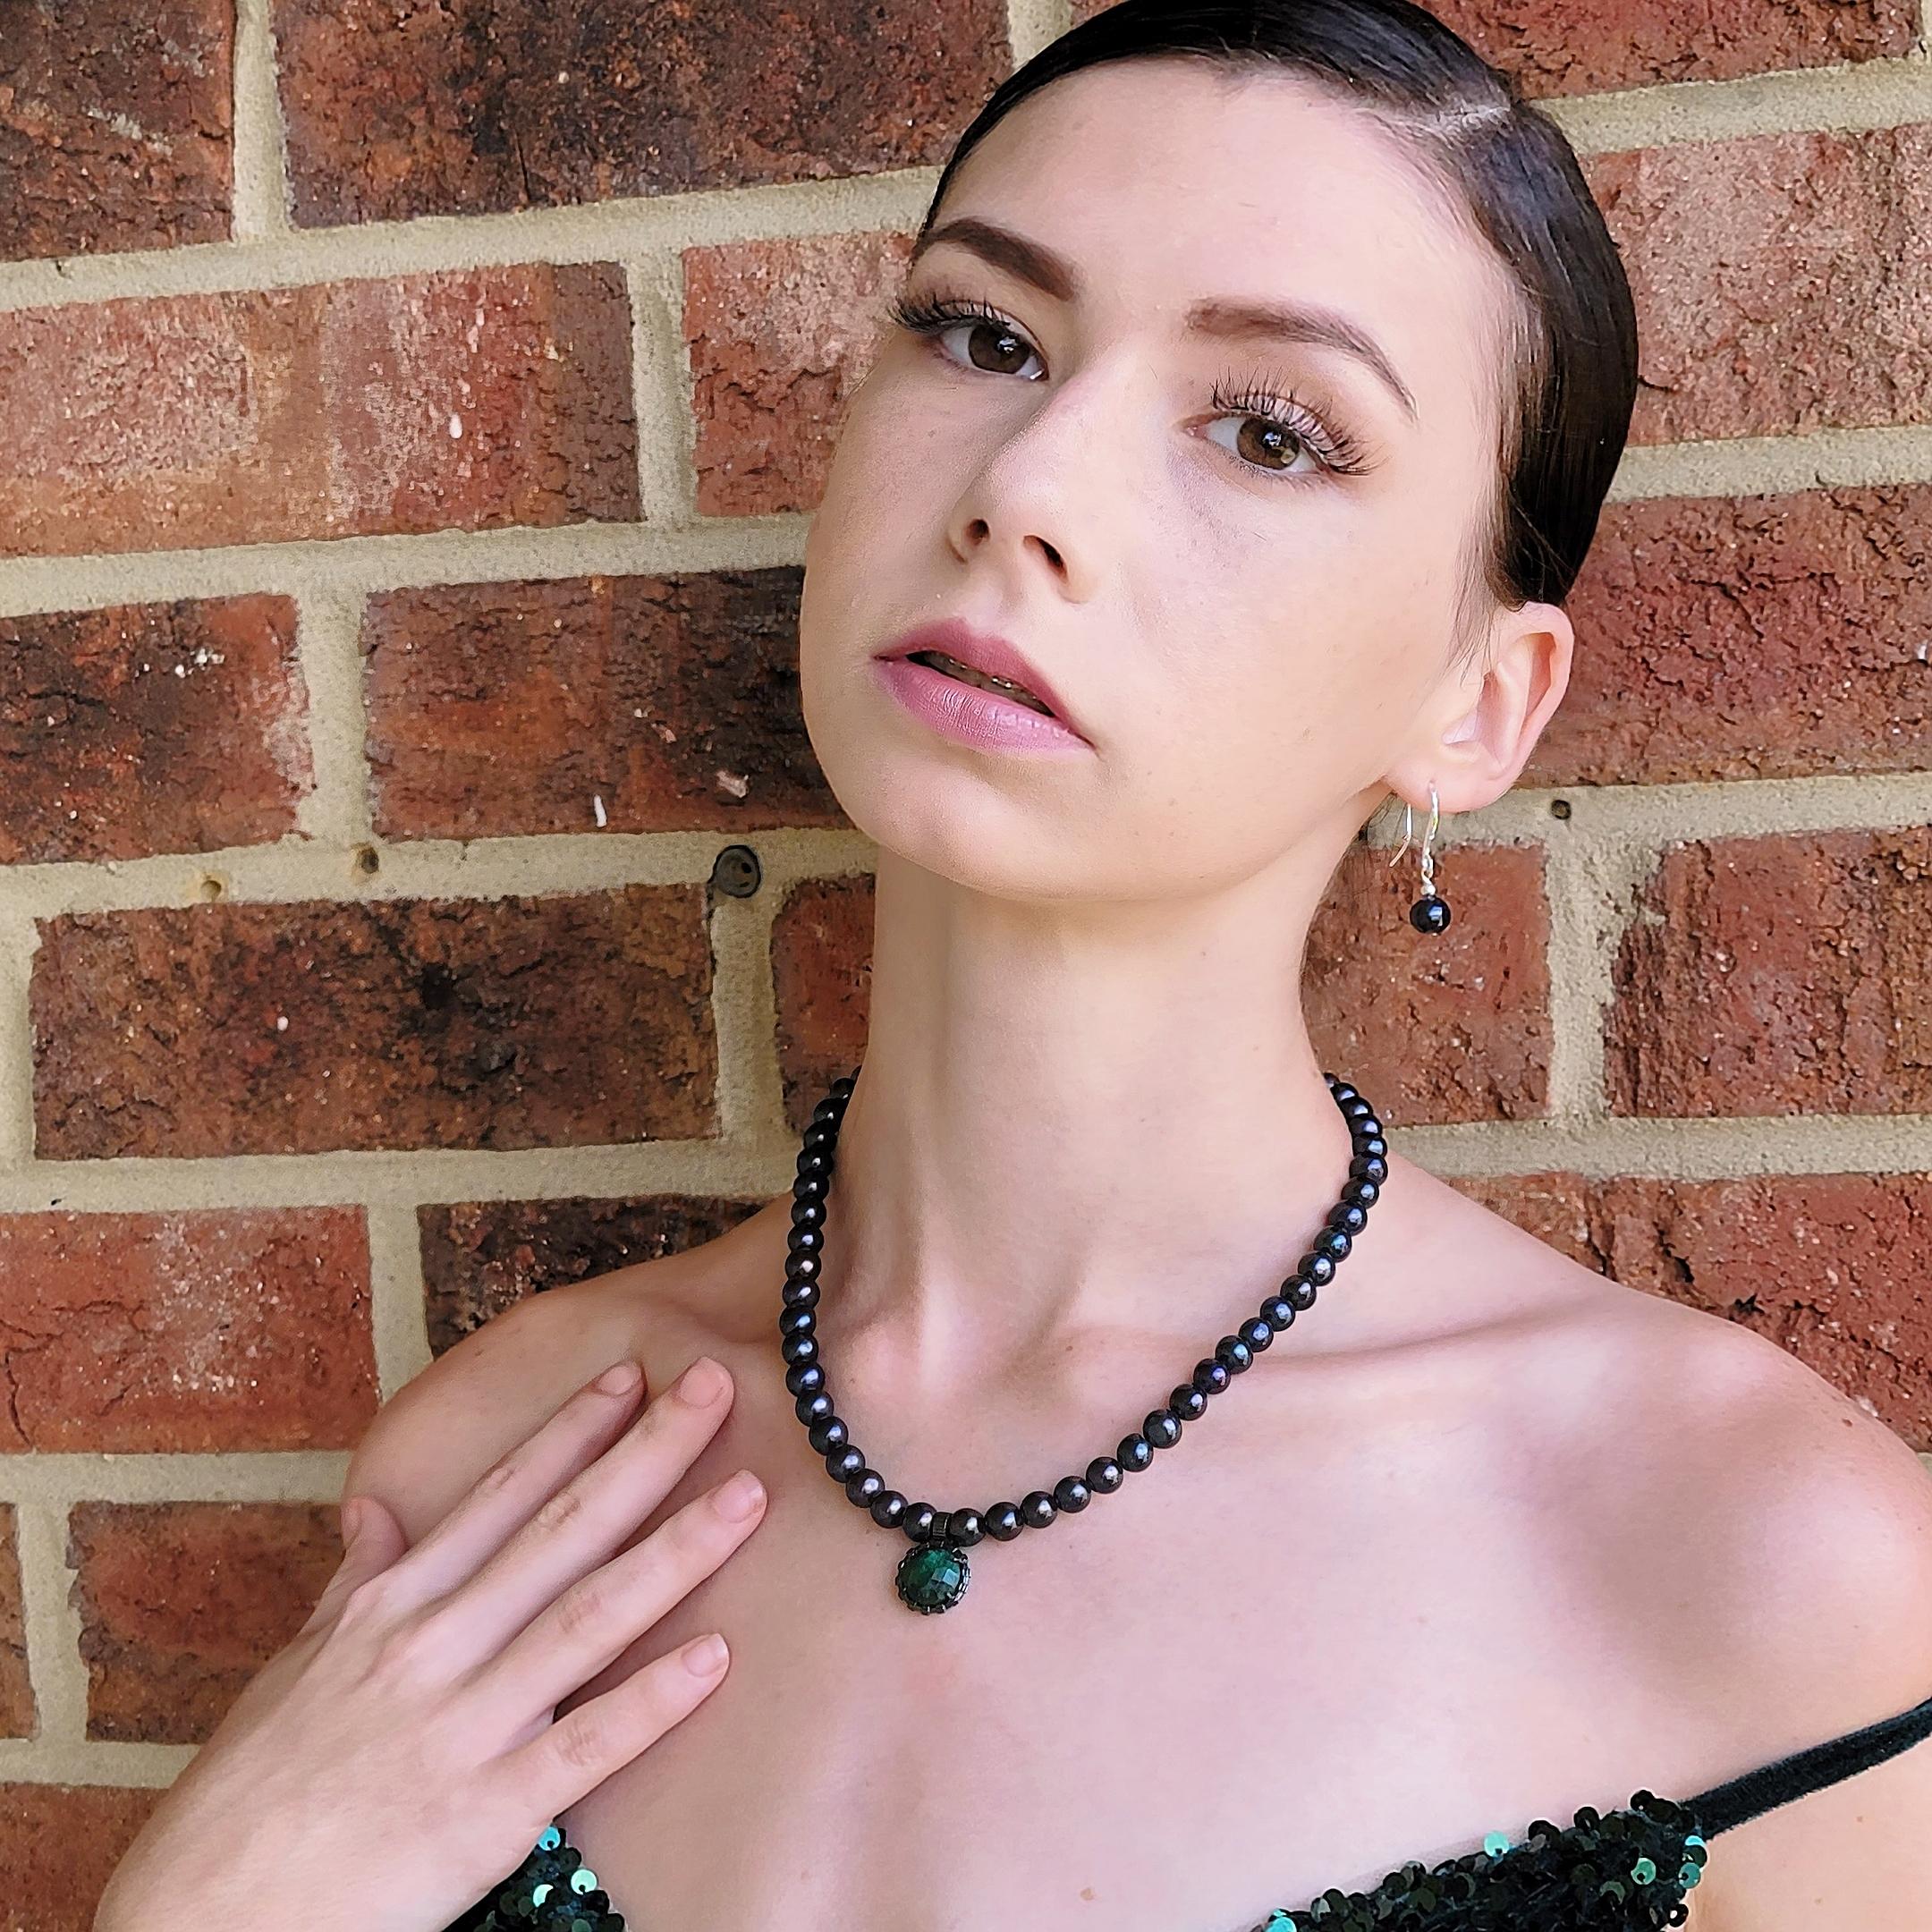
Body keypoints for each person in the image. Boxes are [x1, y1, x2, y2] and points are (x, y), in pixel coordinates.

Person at [94, 4, 1932, 1930]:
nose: (1030, 485)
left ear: (1480, 705)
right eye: (986, 336)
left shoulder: (1748, 1564)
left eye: (1269, 431)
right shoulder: (509, 1475)